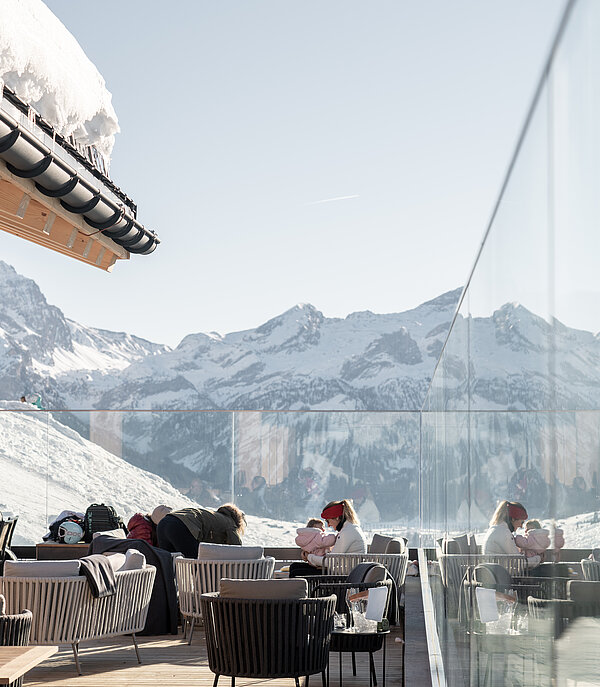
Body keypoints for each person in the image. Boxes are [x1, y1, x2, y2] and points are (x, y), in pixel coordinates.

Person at [289, 499, 367, 577]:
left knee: (296, 572)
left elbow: (330, 561)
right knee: (295, 567)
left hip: (343, 575)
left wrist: (309, 556)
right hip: (341, 570)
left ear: (336, 518)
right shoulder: (349, 529)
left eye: (328, 521)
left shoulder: (347, 532)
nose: (329, 525)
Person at [156, 503, 246, 558]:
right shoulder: (229, 522)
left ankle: (167, 589)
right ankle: (203, 588)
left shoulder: (214, 516)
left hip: (163, 523)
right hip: (180, 526)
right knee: (197, 563)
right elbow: (238, 549)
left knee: (168, 565)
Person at [482, 500, 541, 567]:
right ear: (513, 519)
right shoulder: (504, 533)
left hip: (494, 572)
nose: (521, 526)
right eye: (521, 522)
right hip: (502, 574)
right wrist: (537, 559)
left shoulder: (495, 529)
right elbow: (519, 562)